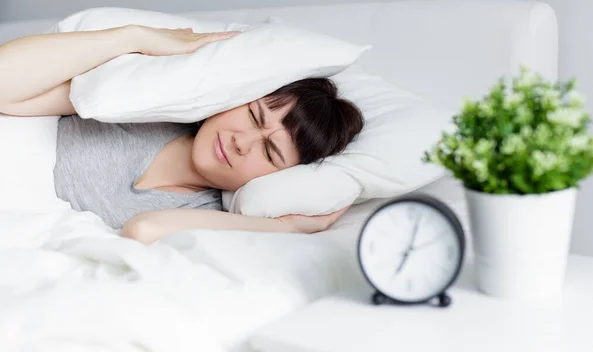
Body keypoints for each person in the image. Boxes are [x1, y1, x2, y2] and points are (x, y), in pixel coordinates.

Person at [0, 24, 364, 244]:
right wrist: (133, 36)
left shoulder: (205, 212)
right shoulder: (138, 108)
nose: (241, 141)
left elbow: (143, 231)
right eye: (253, 116)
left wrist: (288, 231)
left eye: (270, 153)